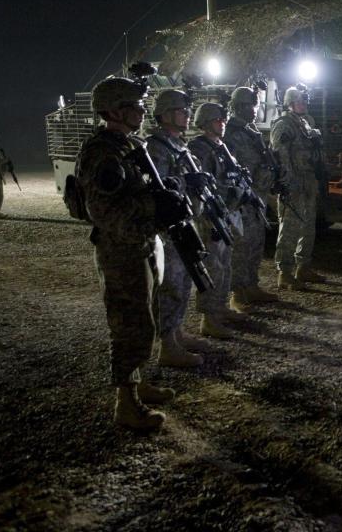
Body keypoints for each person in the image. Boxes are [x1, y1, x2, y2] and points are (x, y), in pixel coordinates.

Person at [78, 76, 190, 430]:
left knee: (147, 317)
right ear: (114, 110)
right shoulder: (102, 153)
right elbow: (105, 211)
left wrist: (164, 198)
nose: (142, 112)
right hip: (121, 249)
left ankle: (139, 384)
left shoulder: (127, 146)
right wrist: (153, 205)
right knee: (129, 324)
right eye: (136, 106)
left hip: (141, 242)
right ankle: (126, 404)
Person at [144, 88, 211, 367]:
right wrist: (187, 184)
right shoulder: (156, 148)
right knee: (169, 283)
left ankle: (178, 332)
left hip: (183, 222)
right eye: (181, 111)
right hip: (167, 228)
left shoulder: (178, 144)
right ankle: (167, 345)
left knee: (184, 280)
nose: (186, 115)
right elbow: (158, 189)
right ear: (166, 114)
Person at [189, 103, 247, 339]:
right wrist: (228, 192)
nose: (221, 123)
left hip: (226, 211)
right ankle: (209, 318)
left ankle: (221, 308)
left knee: (225, 264)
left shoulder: (221, 146)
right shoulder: (199, 148)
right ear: (204, 122)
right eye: (216, 120)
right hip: (210, 214)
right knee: (212, 266)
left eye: (223, 120)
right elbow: (204, 184)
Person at [224, 86, 279, 310]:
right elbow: (234, 168)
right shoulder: (232, 133)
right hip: (242, 198)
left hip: (257, 195)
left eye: (255, 105)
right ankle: (237, 293)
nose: (254, 110)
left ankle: (251, 285)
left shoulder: (250, 131)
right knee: (241, 245)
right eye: (249, 105)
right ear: (237, 107)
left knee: (256, 242)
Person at [271, 85, 326, 290]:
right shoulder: (283, 124)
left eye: (305, 101)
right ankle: (284, 272)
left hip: (308, 180)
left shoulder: (307, 122)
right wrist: (287, 180)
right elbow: (279, 153)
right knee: (290, 227)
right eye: (299, 101)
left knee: (308, 225)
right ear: (290, 103)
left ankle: (303, 266)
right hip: (293, 181)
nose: (303, 104)